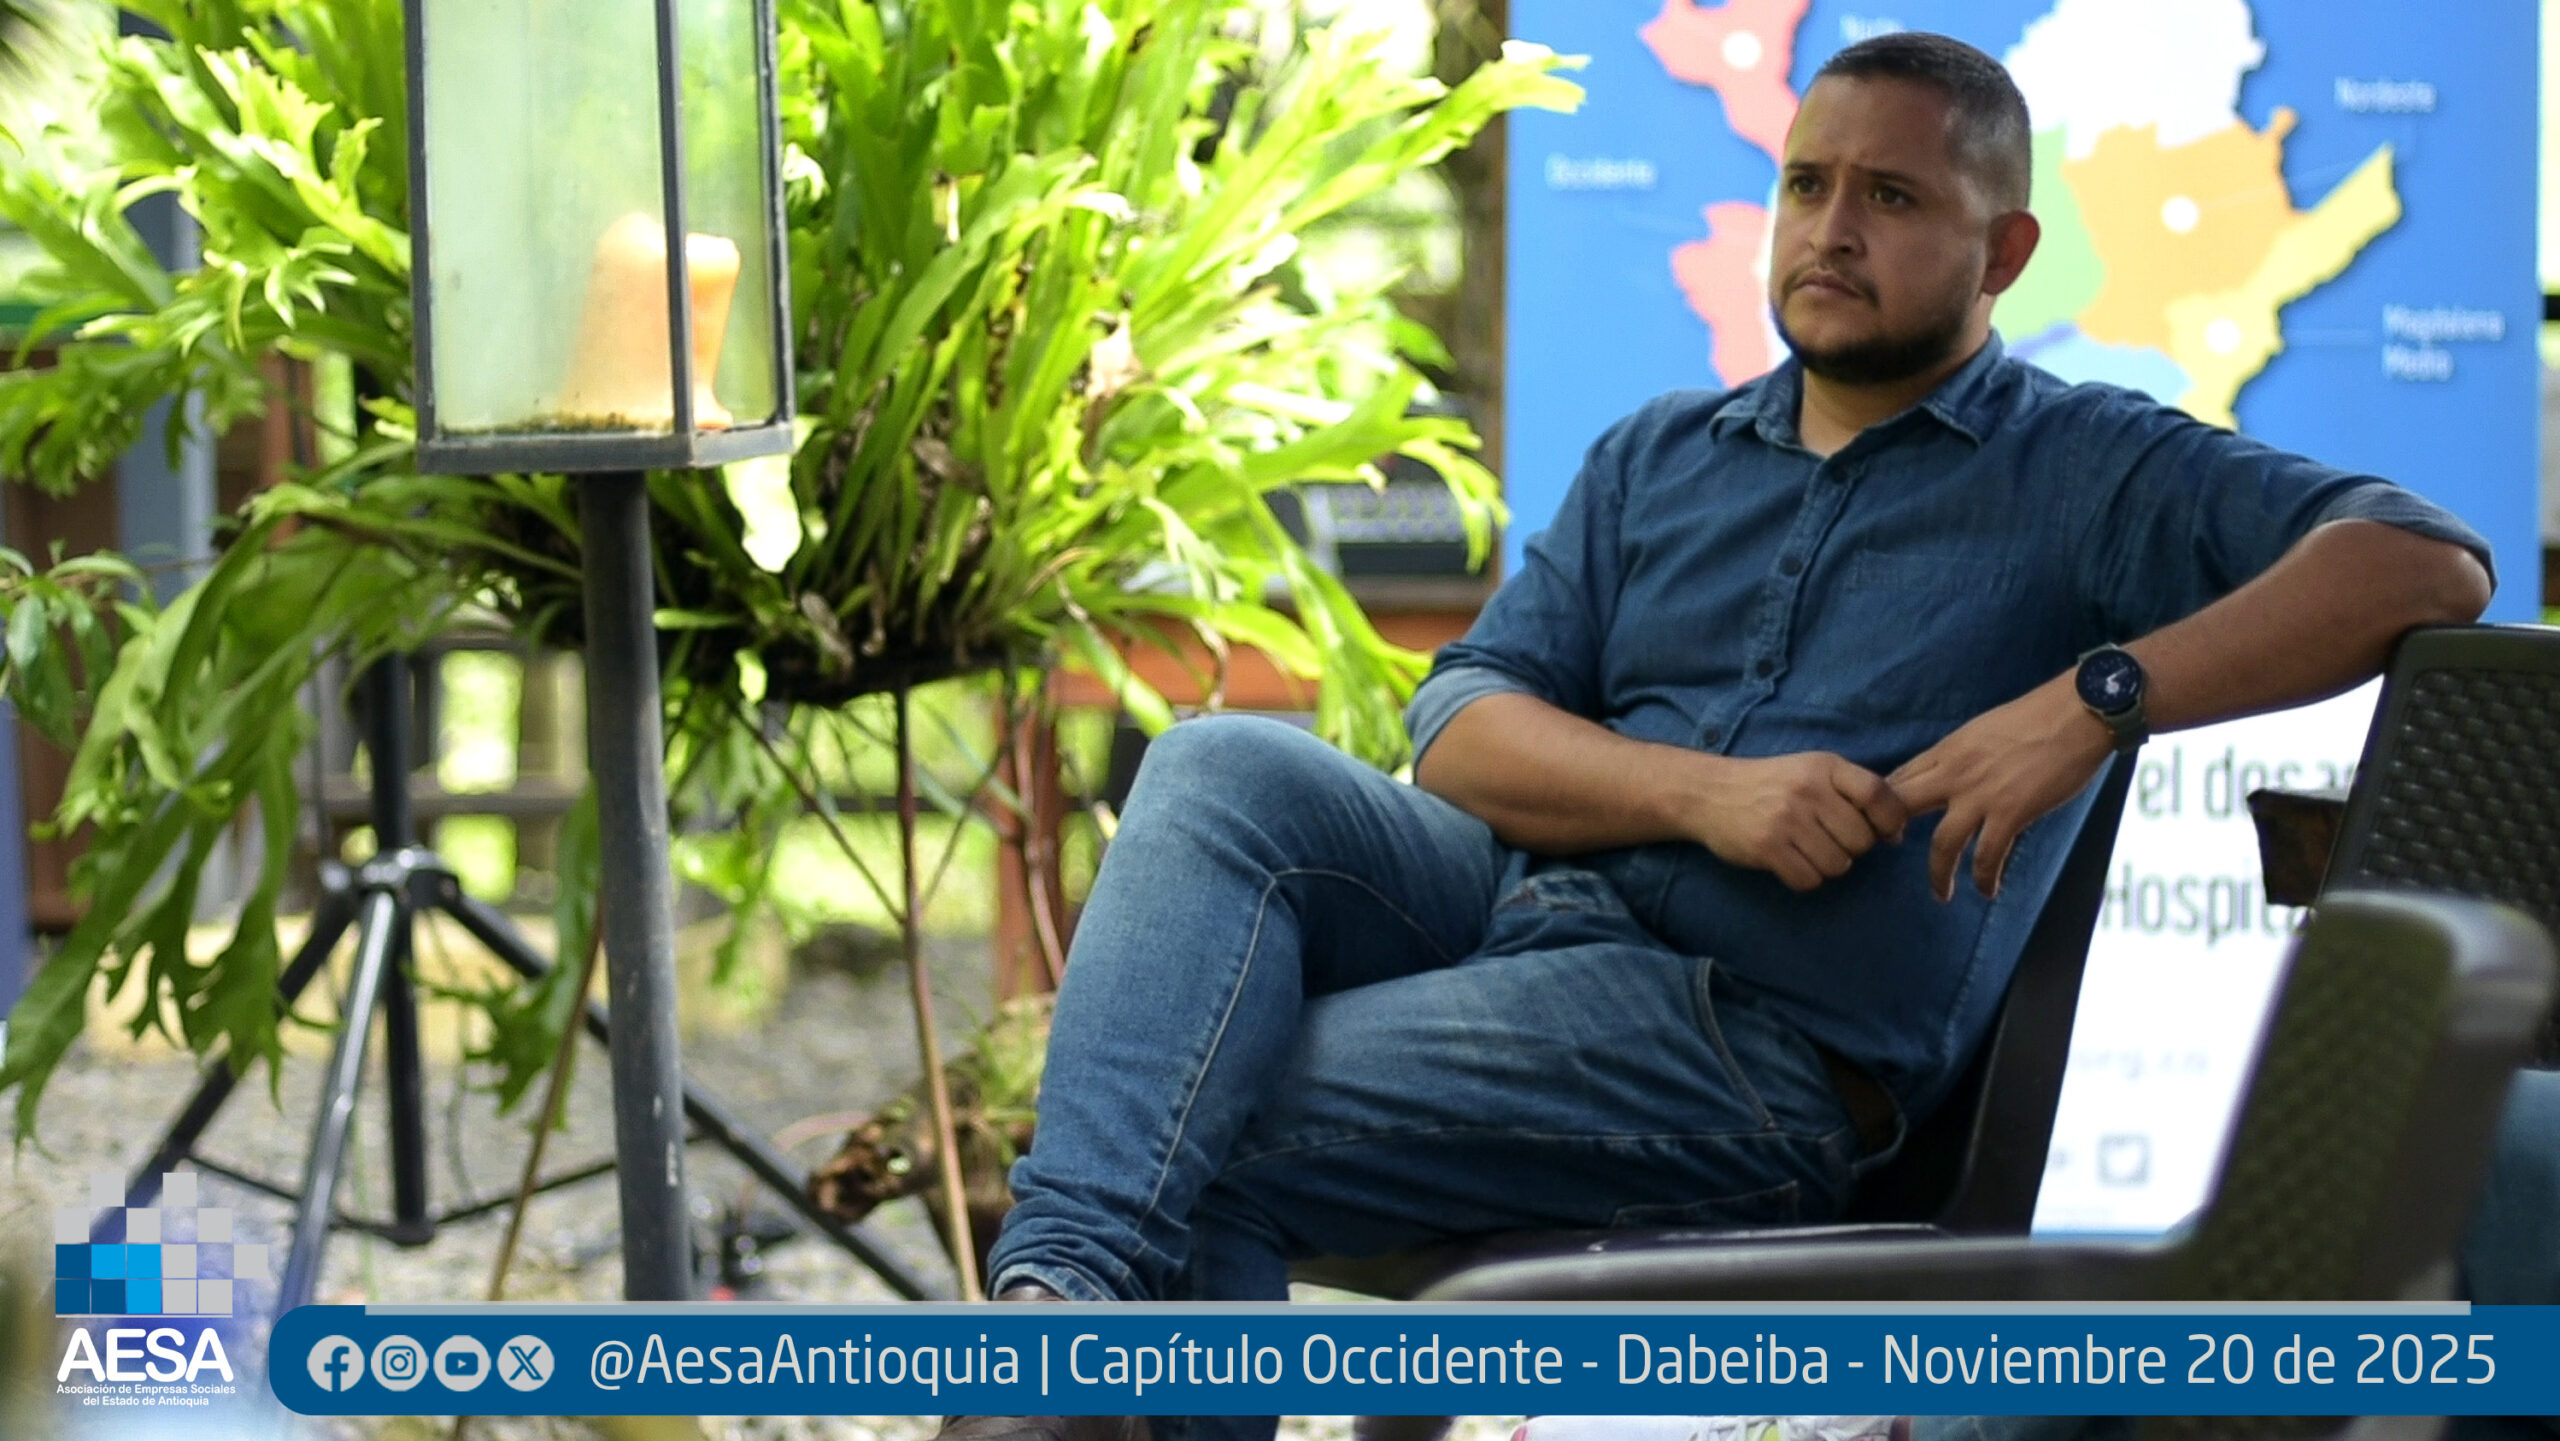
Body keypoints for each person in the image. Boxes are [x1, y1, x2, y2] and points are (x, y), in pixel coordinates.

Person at [938, 30, 2494, 1441]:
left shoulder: (2086, 467)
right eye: (1807, 184)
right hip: (1514, 915)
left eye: (1892, 196)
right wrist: (1707, 795)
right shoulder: (1659, 457)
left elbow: (2424, 561)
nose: (1832, 227)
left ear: (2006, 251)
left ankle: (1042, 1369)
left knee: (1183, 1114)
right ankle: (1057, 1330)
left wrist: (2092, 702)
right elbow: (1463, 729)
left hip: (1747, 1046)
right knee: (1217, 765)